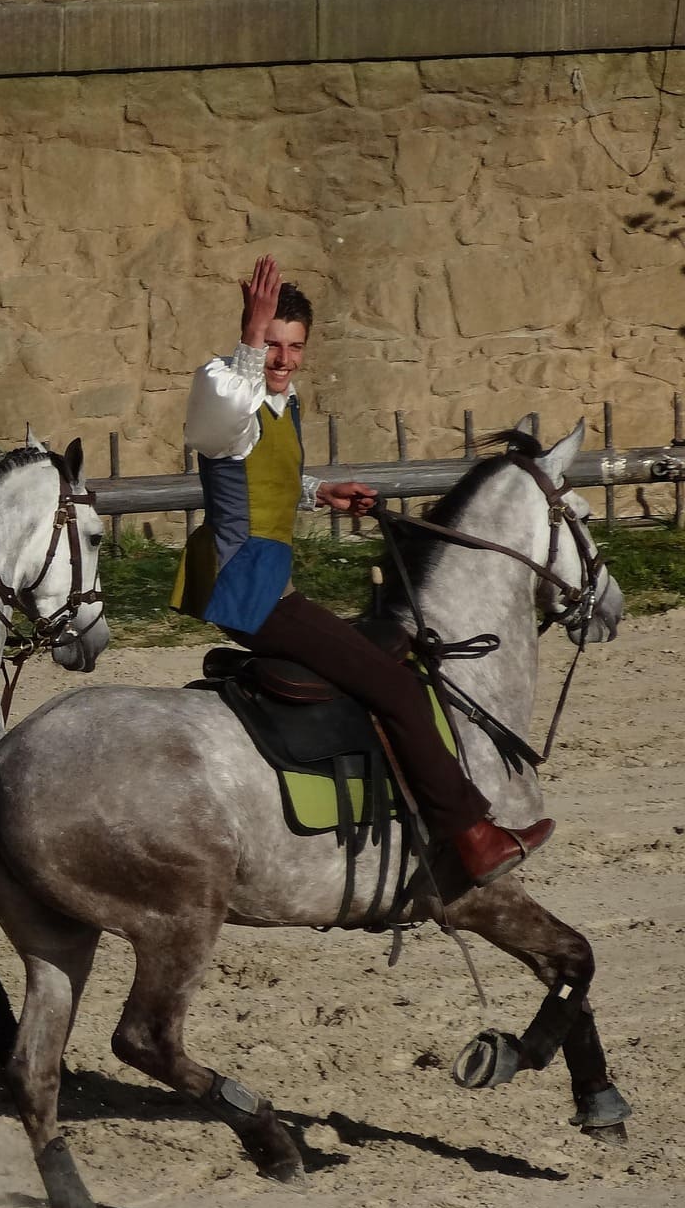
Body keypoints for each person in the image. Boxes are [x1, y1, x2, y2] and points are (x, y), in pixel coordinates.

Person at [171, 254, 553, 888]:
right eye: (273, 344)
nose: (282, 359)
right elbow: (216, 430)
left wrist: (317, 493)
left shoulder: (278, 402)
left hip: (267, 581)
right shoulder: (227, 388)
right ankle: (475, 836)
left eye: (293, 347)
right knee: (399, 690)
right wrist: (247, 335)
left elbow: (252, 474)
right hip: (247, 587)